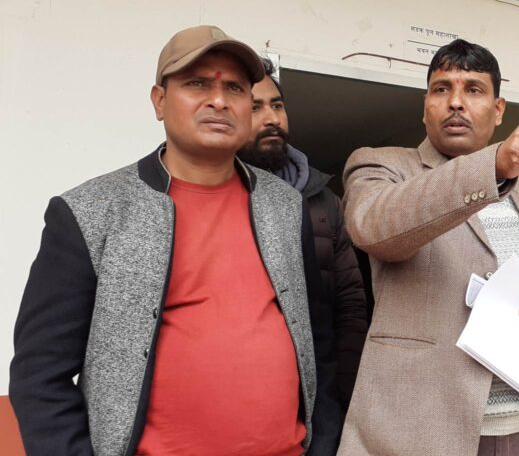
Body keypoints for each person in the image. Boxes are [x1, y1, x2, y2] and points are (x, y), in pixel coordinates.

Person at [8, 25, 339, 456]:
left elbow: (316, 338)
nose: (219, 100)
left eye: (235, 88)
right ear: (159, 101)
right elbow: (39, 372)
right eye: (197, 83)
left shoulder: (285, 205)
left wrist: (323, 442)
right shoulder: (92, 211)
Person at [339, 39, 519, 456]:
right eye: (442, 89)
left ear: (498, 109)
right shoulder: (382, 165)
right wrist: (493, 165)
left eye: (473, 89)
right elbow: (374, 227)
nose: (456, 102)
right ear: (425, 107)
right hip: (424, 429)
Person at [238, 57, 368, 427]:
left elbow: (350, 304)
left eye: (277, 105)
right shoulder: (215, 195)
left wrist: (342, 393)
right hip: (241, 392)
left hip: (317, 394)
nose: (272, 119)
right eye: (255, 107)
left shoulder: (323, 199)